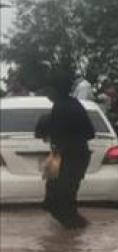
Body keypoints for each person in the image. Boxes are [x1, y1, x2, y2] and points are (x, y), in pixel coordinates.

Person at [35, 73, 95, 229]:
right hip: (72, 156)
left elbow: (58, 134)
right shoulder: (73, 104)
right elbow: (90, 133)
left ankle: (73, 236)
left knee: (58, 201)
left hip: (68, 157)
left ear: (55, 90)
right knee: (64, 199)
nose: (46, 93)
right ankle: (73, 239)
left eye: (48, 89)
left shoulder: (61, 107)